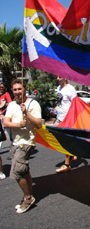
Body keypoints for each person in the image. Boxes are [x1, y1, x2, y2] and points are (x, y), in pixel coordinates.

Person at [4, 79, 42, 214]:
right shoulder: (11, 105)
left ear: (25, 89)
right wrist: (18, 125)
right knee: (24, 170)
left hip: (27, 142)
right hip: (15, 142)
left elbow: (38, 124)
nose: (17, 92)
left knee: (17, 171)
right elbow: (6, 123)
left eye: (20, 89)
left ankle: (28, 197)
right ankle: (29, 195)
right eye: (15, 89)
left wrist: (26, 113)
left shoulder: (33, 104)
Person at [53, 77, 77, 173]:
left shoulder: (70, 89)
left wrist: (71, 118)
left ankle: (67, 164)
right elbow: (60, 103)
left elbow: (75, 104)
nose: (58, 78)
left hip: (67, 119)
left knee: (66, 141)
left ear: (65, 78)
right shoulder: (59, 88)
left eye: (60, 77)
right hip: (59, 118)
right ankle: (71, 154)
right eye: (57, 77)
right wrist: (55, 109)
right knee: (60, 139)